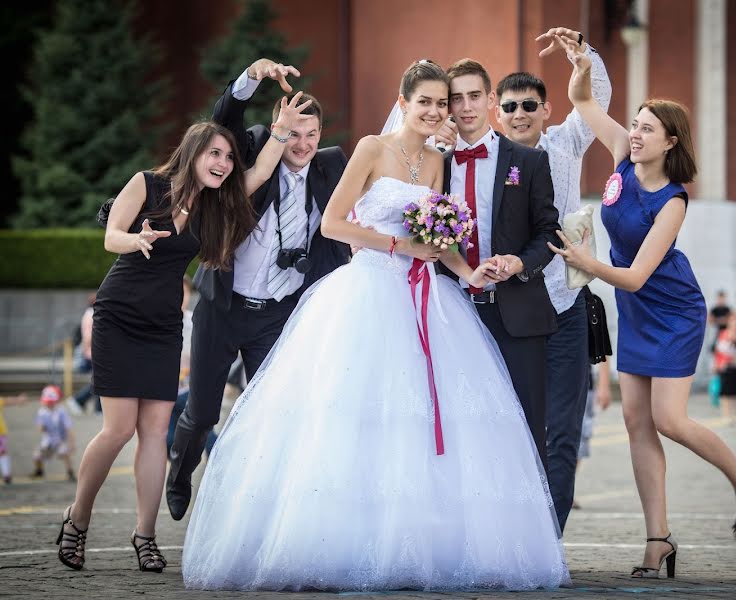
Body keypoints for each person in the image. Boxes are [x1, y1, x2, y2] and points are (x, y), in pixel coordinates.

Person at [180, 60, 568, 592]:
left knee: (427, 421)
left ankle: (417, 539)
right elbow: (337, 223)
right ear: (404, 102)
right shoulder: (369, 148)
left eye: (442, 103)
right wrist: (400, 247)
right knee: (354, 415)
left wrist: (467, 270)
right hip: (367, 291)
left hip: (425, 298)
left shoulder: (436, 162)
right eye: (426, 102)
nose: (435, 112)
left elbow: (441, 243)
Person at [55, 95, 312, 573]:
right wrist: (136, 239)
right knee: (116, 430)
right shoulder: (146, 185)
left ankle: (145, 535)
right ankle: (78, 518)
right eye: (215, 153)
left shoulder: (214, 205)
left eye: (229, 156)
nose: (223, 163)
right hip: (118, 314)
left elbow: (256, 177)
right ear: (194, 152)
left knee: (154, 432)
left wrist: (281, 132)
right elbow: (111, 236)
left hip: (164, 326)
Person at [549, 38, 736, 578]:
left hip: (670, 306)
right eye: (637, 124)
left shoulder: (673, 200)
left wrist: (582, 261)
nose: (637, 132)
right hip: (637, 310)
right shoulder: (623, 155)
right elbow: (582, 103)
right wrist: (582, 65)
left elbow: (637, 275)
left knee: (668, 419)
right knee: (635, 421)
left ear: (670, 141)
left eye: (648, 127)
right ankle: (658, 541)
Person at [166, 59, 352, 521]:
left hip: (279, 312)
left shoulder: (331, 166)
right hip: (222, 305)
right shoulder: (251, 150)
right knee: (204, 411)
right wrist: (250, 79)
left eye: (312, 134)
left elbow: (384, 174)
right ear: (277, 129)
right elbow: (222, 119)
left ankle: (252, 504)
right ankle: (181, 469)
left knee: (270, 414)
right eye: (294, 134)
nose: (302, 145)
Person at [440, 57, 560, 468]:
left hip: (517, 316)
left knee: (526, 434)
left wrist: (519, 264)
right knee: (461, 432)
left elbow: (549, 233)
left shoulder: (528, 161)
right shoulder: (432, 164)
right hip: (452, 315)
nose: (467, 107)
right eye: (457, 99)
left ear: (490, 99)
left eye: (475, 96)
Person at [166, 278, 218, 458]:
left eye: (184, 292)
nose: (180, 297)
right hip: (163, 394)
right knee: (167, 440)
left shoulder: (195, 321)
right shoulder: (158, 322)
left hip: (190, 389)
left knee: (205, 431)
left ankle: (217, 464)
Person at [572, 360, 611, 510]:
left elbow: (602, 343)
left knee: (580, 438)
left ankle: (564, 487)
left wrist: (604, 384)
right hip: (548, 379)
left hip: (583, 383)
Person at [31, 385, 76, 481]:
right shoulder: (42, 412)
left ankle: (70, 472)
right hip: (48, 440)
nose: (49, 404)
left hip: (60, 439)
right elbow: (39, 428)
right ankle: (39, 470)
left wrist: (71, 443)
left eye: (51, 402)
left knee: (65, 453)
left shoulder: (61, 411)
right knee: (37, 456)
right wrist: (42, 427)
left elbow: (69, 428)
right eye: (47, 402)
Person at [66, 293, 100, 416]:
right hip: (93, 352)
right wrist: (86, 351)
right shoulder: (92, 314)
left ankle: (96, 408)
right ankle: (78, 400)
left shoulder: (88, 313)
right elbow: (89, 336)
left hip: (90, 351)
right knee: (99, 380)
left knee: (99, 379)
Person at [0, 392, 29, 484]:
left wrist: (18, 400)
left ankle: (7, 475)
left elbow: (6, 400)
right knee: (2, 452)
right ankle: (7, 475)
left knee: (2, 452)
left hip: (0, 432)